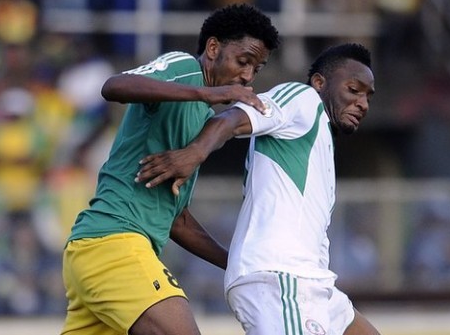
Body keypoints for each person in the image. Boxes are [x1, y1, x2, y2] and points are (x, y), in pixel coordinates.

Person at [60, 4, 280, 335]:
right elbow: (115, 86)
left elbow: (178, 221)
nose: (248, 76)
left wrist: (237, 263)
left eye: (256, 69)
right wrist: (206, 92)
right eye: (243, 61)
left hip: (98, 252)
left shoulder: (204, 121)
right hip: (113, 243)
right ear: (213, 48)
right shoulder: (183, 68)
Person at [136, 43, 381, 335]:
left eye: (368, 96)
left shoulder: (318, 135)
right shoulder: (303, 99)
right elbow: (232, 118)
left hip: (315, 283)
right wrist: (195, 153)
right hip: (282, 278)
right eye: (354, 90)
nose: (363, 103)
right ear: (319, 82)